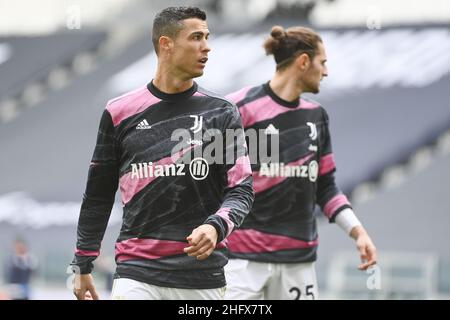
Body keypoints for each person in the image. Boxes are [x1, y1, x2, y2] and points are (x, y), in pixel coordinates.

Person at [70, 6, 254, 300]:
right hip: (136, 274)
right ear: (166, 44)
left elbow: (242, 190)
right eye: (196, 37)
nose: (206, 47)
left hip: (201, 278)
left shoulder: (222, 112)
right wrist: (82, 263)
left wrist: (216, 226)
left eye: (207, 37)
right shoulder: (119, 113)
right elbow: (98, 195)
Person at [224, 25, 377, 300]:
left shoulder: (317, 117)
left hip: (298, 262)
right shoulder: (238, 108)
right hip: (241, 262)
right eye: (323, 62)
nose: (327, 71)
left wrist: (358, 233)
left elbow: (326, 187)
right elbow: (209, 177)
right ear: (304, 62)